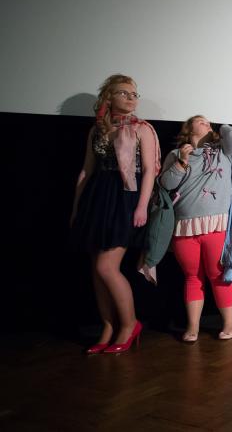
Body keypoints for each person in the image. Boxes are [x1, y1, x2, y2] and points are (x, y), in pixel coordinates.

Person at [71, 74, 159, 354]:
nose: (131, 98)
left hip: (126, 198)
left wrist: (142, 206)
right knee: (96, 271)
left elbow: (149, 171)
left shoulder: (142, 129)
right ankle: (107, 327)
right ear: (108, 97)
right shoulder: (97, 129)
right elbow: (86, 170)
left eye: (134, 94)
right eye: (124, 93)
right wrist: (76, 207)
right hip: (98, 197)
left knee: (106, 267)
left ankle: (130, 325)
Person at [159, 116, 232, 342]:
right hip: (184, 227)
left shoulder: (223, 150)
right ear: (188, 128)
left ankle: (230, 322)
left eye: (209, 122)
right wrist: (182, 162)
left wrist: (218, 127)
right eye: (201, 121)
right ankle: (192, 327)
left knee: (218, 275)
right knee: (192, 277)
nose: (207, 123)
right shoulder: (176, 154)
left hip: (215, 225)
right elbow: (165, 184)